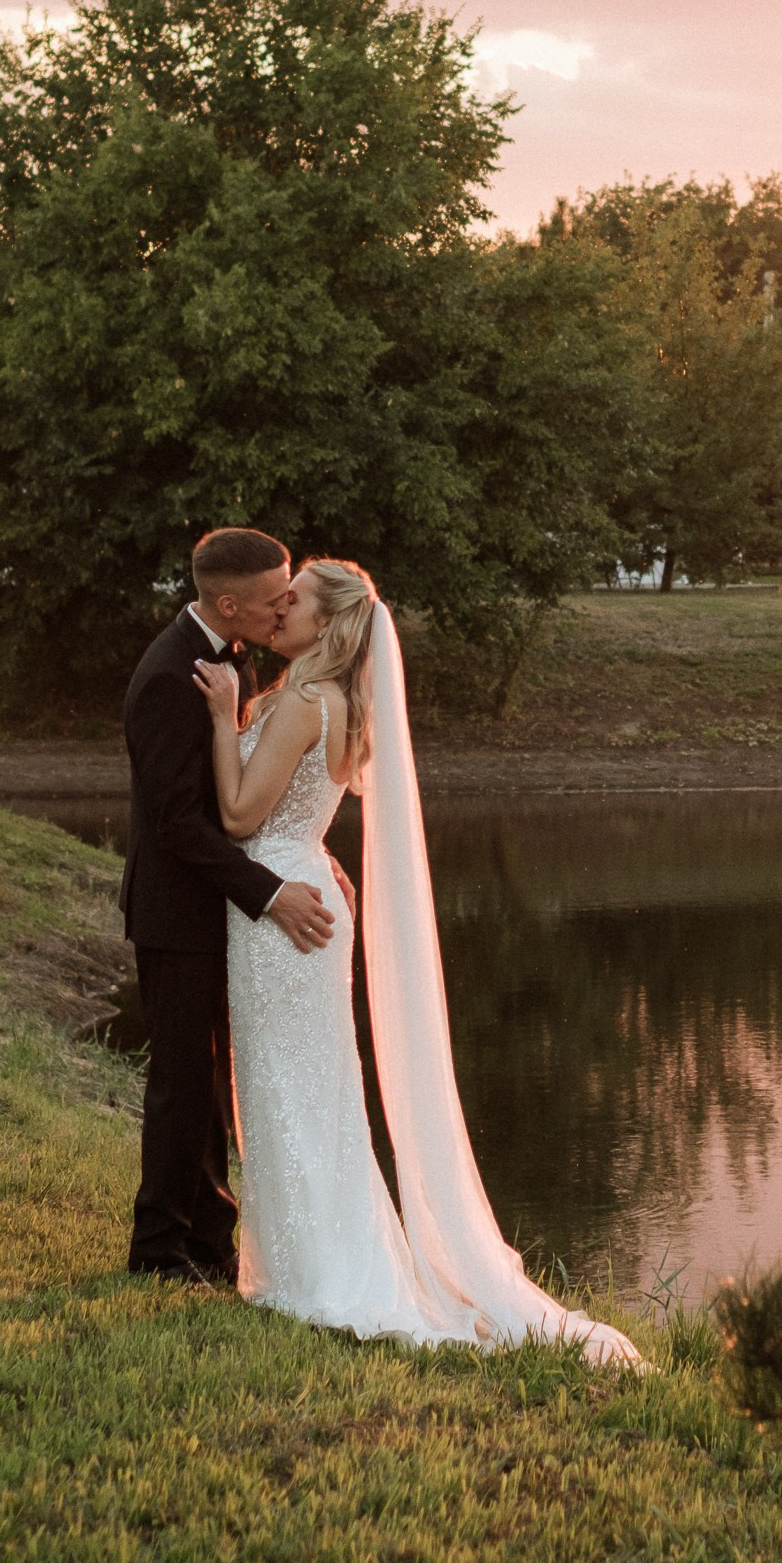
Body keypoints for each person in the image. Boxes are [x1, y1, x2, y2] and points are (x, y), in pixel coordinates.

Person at [195, 555, 639, 1363]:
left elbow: (235, 816)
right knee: (315, 1089)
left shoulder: (301, 701)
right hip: (303, 887)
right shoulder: (341, 704)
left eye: (292, 602)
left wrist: (226, 717)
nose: (277, 610)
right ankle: (310, 1262)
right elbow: (297, 815)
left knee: (290, 1089)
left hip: (276, 910)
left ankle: (312, 1274)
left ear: (327, 624)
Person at [120, 526, 336, 1283]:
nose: (285, 605)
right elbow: (176, 823)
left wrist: (307, 851)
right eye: (277, 595)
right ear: (227, 601)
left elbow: (242, 794)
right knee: (182, 1085)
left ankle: (210, 1244)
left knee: (211, 1086)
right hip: (178, 914)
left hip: (219, 909)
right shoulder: (168, 676)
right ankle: (157, 1254)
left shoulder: (232, 659)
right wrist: (271, 892)